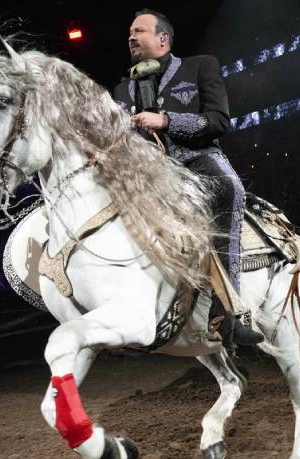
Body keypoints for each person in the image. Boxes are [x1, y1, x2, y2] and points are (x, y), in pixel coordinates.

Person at [113, 9, 263, 349]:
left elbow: (218, 121)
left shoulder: (200, 66)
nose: (131, 37)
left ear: (163, 39)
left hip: (198, 161)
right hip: (148, 174)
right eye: (129, 34)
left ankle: (227, 315)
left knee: (230, 188)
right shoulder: (122, 90)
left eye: (139, 31)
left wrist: (165, 121)